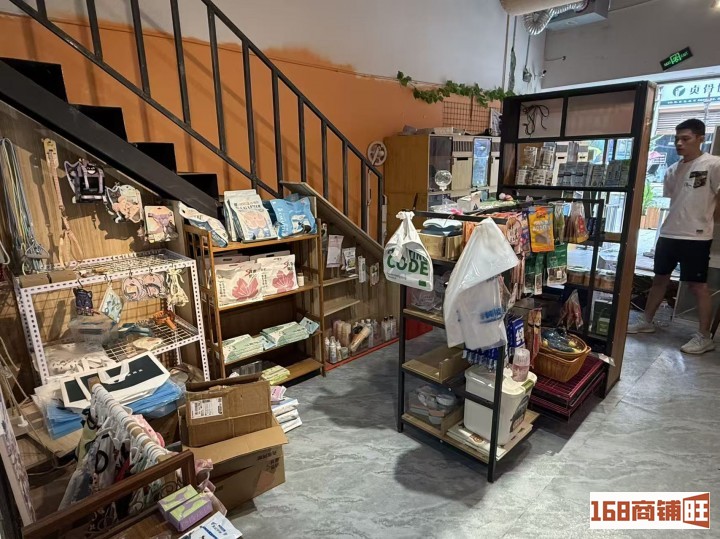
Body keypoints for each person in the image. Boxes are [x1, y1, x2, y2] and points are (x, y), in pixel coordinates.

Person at [628, 119, 720, 354]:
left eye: (685, 139)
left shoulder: (713, 164)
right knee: (659, 279)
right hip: (669, 233)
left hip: (697, 237)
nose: (679, 143)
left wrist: (708, 220)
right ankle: (646, 321)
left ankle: (704, 336)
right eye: (677, 139)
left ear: (700, 139)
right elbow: (676, 199)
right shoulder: (672, 169)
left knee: (698, 286)